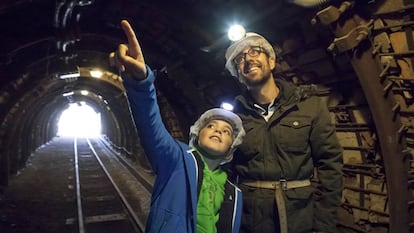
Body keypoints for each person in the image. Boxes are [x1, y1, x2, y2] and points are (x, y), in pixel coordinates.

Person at [109, 19, 246, 233]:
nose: (219, 130)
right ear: (196, 134)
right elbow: (150, 124)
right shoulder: (176, 159)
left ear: (231, 149)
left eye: (227, 131)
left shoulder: (234, 194)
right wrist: (141, 82)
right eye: (211, 126)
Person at [224, 32, 343, 233]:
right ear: (238, 75)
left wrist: (323, 224)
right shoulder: (233, 118)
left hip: (300, 218)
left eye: (255, 51)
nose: (248, 59)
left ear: (271, 62)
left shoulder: (309, 107)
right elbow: (224, 171)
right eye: (240, 58)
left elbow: (331, 165)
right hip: (251, 221)